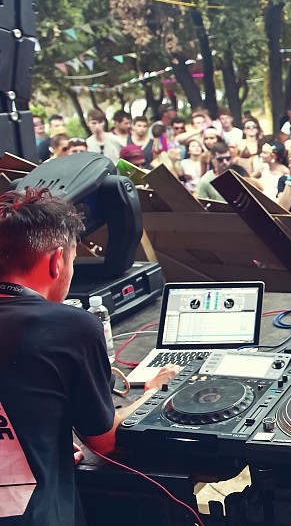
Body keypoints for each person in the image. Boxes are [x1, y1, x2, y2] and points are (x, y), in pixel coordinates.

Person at [0, 188, 177, 526]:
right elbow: (105, 444)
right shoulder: (69, 327)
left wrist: (35, 441)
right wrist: (153, 393)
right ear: (57, 261)